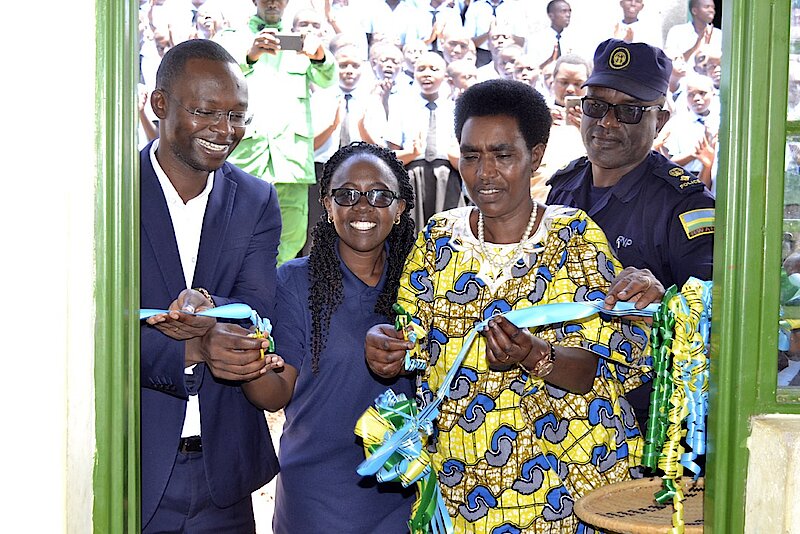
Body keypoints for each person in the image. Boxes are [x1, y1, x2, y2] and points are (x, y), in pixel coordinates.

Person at [364, 79, 655, 532]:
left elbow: (598, 368)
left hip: (567, 482)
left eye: (502, 155)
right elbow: (416, 348)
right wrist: (386, 350)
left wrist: (533, 355)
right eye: (471, 156)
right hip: (466, 483)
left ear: (535, 156)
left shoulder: (573, 238)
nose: (485, 173)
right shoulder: (439, 239)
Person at [140, 39, 282, 533]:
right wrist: (193, 346)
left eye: (237, 116)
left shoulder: (257, 199)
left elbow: (259, 306)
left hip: (225, 476)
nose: (225, 131)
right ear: (160, 104)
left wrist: (208, 307)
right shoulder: (111, 193)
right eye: (206, 112)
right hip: (134, 467)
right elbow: (90, 331)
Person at [241, 142, 418, 533]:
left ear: (400, 208)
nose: (363, 206)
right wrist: (250, 364)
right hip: (316, 497)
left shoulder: (422, 283)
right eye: (346, 194)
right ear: (326, 204)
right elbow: (276, 394)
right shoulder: (295, 281)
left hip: (403, 493)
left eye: (379, 195)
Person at [547, 38, 715, 429]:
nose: (607, 123)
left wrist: (665, 298)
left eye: (629, 111)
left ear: (661, 120)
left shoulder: (684, 205)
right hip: (561, 409)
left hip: (642, 420)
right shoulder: (564, 187)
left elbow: (713, 311)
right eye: (596, 106)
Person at [215, 0, 336, 265]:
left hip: (291, 164)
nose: (272, 2)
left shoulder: (301, 41)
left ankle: (270, 284)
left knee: (291, 237)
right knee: (237, 235)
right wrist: (249, 56)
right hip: (247, 161)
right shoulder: (232, 38)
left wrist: (319, 56)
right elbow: (215, 78)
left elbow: (328, 79)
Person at [664, 0, 721, 64]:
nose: (712, 10)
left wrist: (706, 46)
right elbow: (670, 62)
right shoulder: (677, 32)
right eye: (707, 7)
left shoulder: (719, 34)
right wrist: (697, 44)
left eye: (713, 8)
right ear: (694, 11)